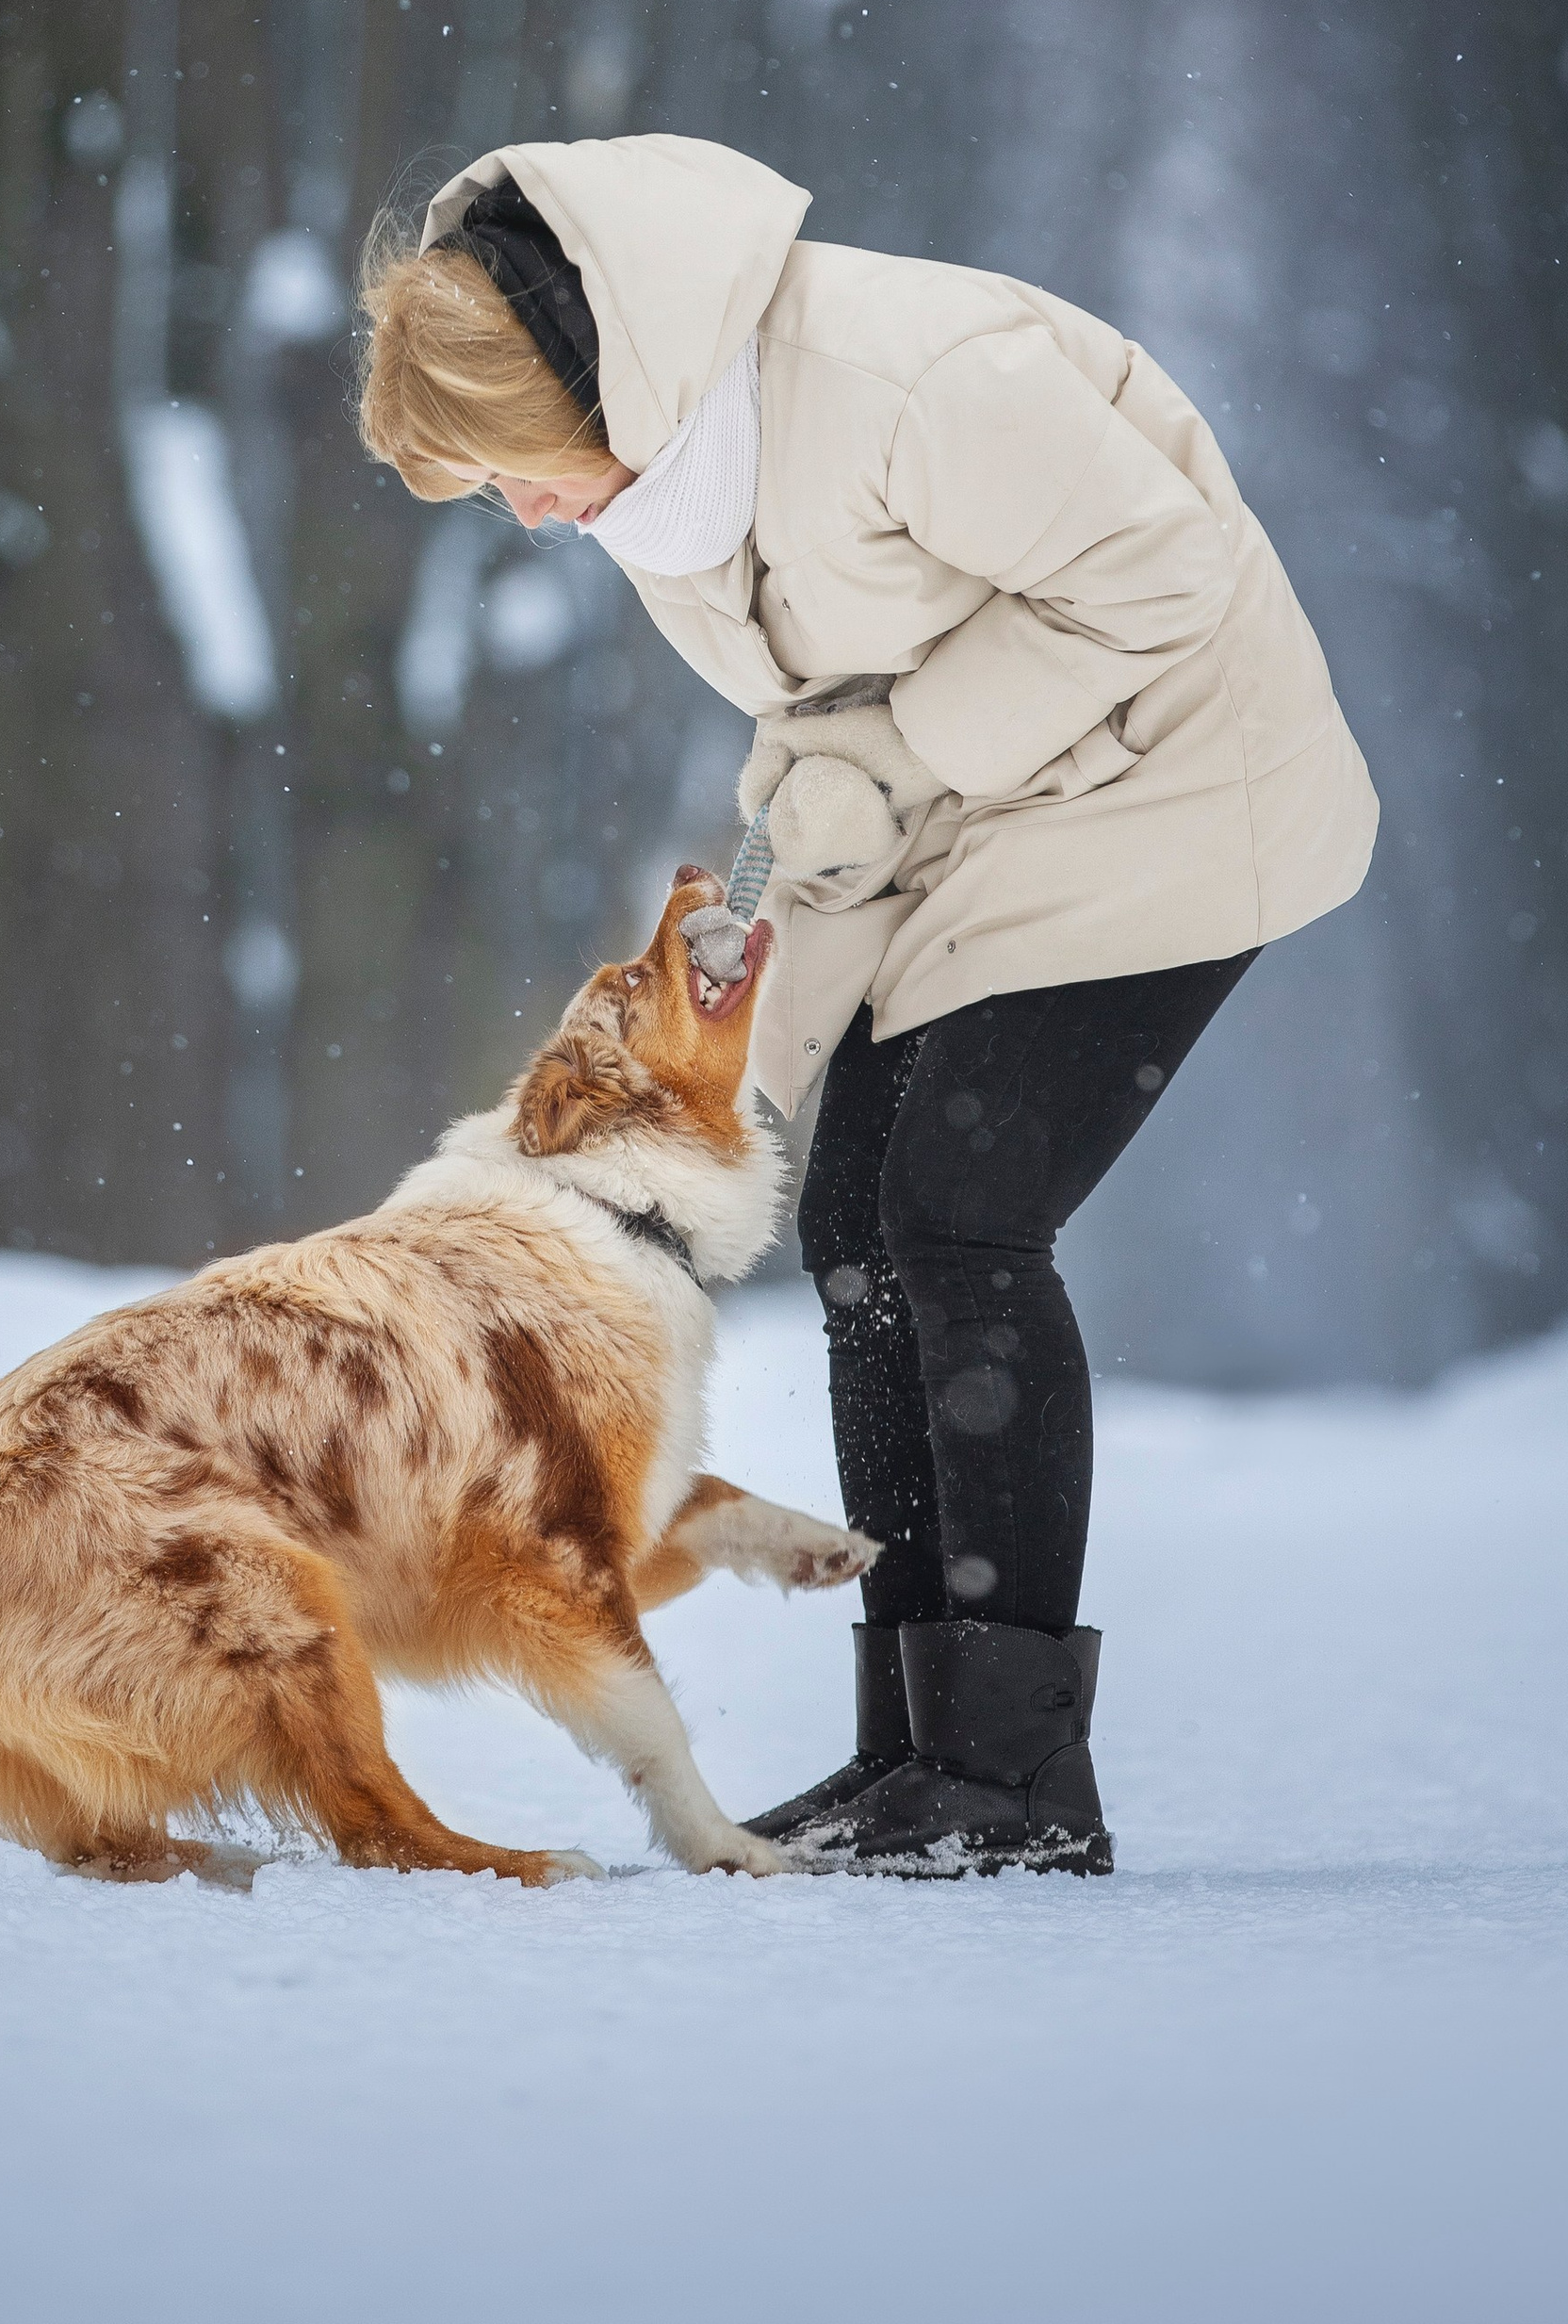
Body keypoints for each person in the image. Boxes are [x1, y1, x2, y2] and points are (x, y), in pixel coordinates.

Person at [356, 133, 1377, 1874]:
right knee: (851, 1228)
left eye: (511, 475)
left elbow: (1163, 583)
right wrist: (754, 979)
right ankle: (916, 1747)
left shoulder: (910, 379)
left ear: (585, 384)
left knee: (959, 1216)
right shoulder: (663, 479)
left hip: (1180, 781)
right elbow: (841, 719)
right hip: (989, 814)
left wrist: (879, 765)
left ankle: (1017, 1786)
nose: (525, 515)